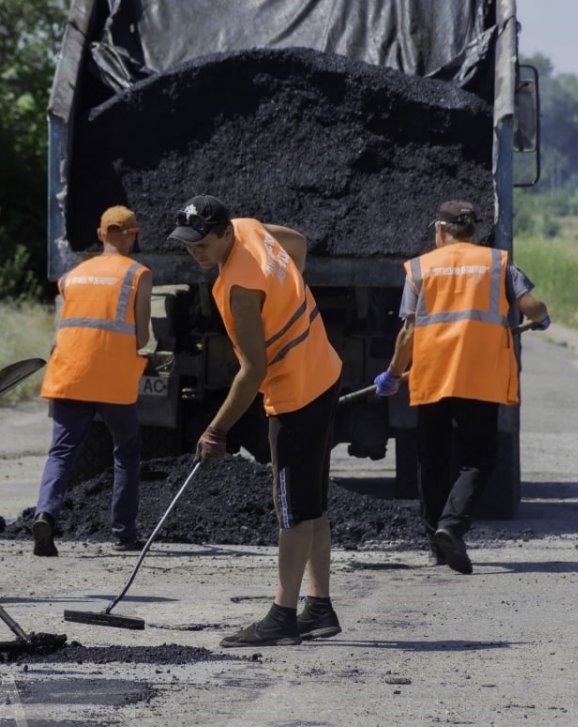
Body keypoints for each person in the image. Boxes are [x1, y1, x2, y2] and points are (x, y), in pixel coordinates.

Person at [170, 194, 344, 648]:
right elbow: (299, 244)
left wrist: (216, 430)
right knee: (313, 503)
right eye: (188, 244)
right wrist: (288, 298)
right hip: (322, 368)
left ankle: (283, 617)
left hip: (295, 395)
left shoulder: (237, 289)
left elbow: (254, 371)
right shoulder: (250, 228)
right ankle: (320, 608)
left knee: (291, 510)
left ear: (225, 232)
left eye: (202, 244)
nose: (195, 252)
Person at [374, 200, 550, 575]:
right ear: (473, 232)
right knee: (478, 459)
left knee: (432, 460)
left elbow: (408, 331)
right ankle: (451, 527)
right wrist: (543, 316)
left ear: (440, 231)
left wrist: (392, 373)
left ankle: (436, 542)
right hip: (479, 378)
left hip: (432, 376)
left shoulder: (421, 268)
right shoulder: (497, 264)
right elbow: (531, 307)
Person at [31, 205, 153, 556]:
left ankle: (46, 515)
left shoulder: (72, 275)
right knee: (126, 452)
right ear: (132, 235)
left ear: (101, 235)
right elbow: (142, 337)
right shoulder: (138, 274)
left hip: (70, 375)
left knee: (61, 452)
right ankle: (124, 533)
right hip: (114, 381)